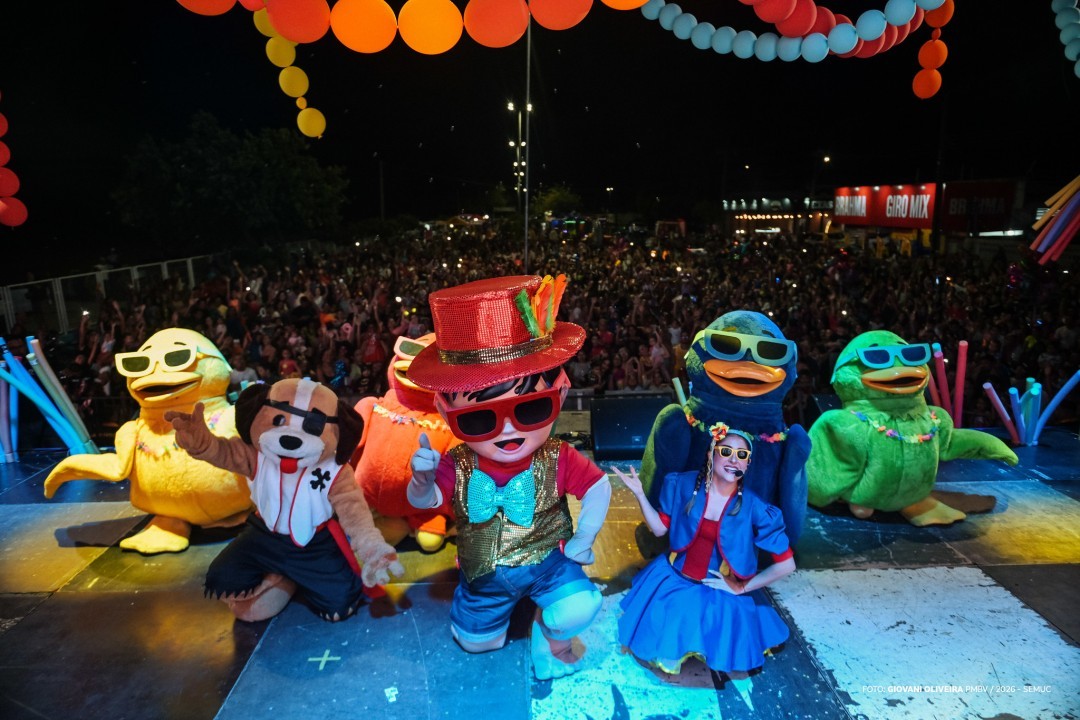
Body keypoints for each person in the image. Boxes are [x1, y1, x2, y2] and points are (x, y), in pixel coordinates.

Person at [406, 275, 611, 681]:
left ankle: (547, 630)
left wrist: (585, 539)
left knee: (581, 608)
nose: (507, 430)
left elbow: (598, 486)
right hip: (483, 576)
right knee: (476, 644)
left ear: (561, 394)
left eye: (530, 408)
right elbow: (423, 503)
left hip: (550, 564)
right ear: (446, 413)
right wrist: (422, 480)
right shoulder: (458, 461)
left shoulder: (558, 455)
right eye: (479, 418)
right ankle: (497, 614)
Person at [612, 423, 795, 693]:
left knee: (718, 637)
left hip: (718, 589)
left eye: (742, 455)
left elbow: (787, 565)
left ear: (748, 464)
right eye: (726, 451)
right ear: (711, 453)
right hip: (675, 580)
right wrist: (639, 494)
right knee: (671, 633)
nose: (734, 460)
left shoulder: (756, 507)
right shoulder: (682, 484)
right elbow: (660, 529)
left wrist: (742, 587)